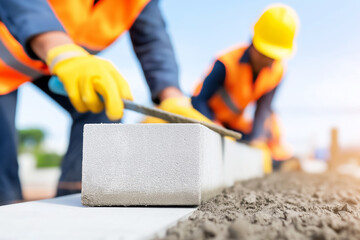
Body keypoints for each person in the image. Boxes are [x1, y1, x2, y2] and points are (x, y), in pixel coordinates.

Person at [0, 0, 207, 205]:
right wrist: (62, 50)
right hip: (16, 50)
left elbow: (152, 41)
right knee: (4, 173)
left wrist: (172, 98)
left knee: (103, 105)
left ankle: (74, 203)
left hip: (56, 61)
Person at [191, 4, 298, 172]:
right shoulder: (226, 62)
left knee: (268, 131)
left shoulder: (277, 71)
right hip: (207, 115)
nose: (268, 61)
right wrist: (212, 127)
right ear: (253, 41)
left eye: (274, 57)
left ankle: (279, 162)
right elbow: (199, 99)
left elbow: (263, 108)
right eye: (264, 54)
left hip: (233, 124)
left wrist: (256, 138)